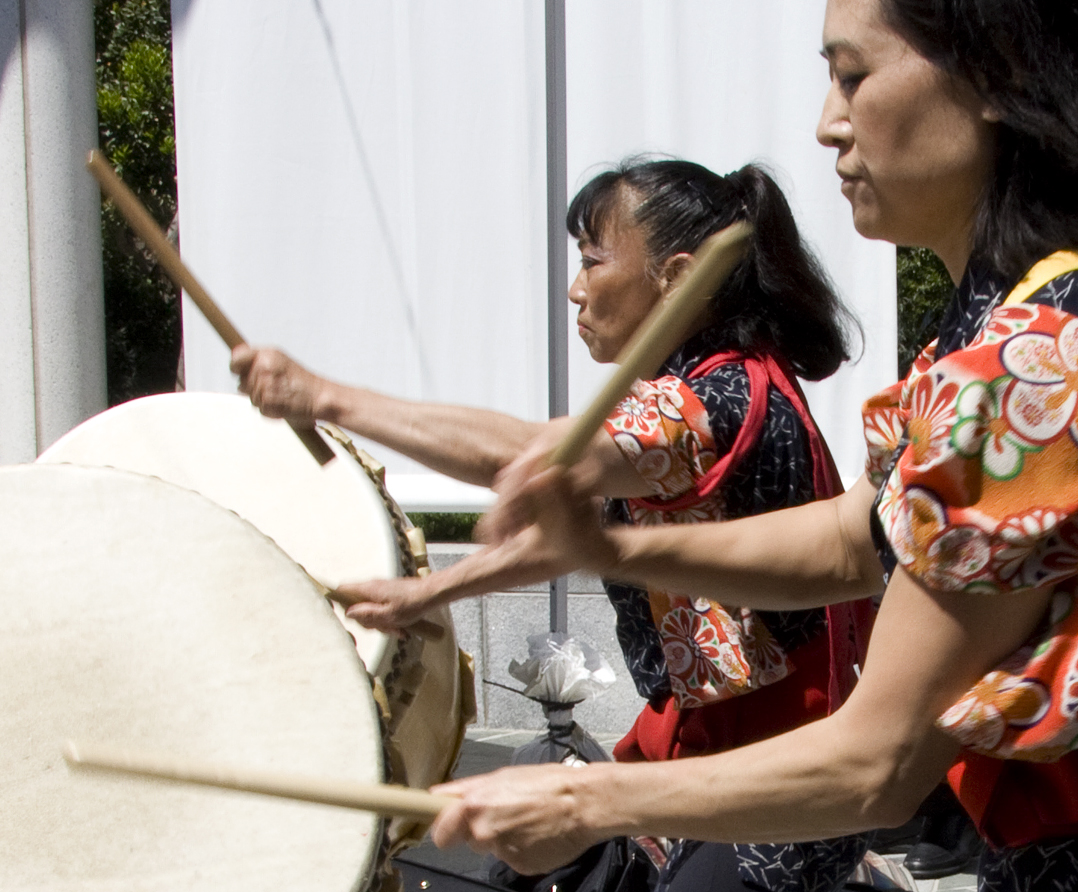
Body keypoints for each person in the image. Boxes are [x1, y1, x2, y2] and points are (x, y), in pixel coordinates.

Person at [423, 1, 1078, 889]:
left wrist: (321, 397)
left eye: (854, 76)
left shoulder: (1021, 363)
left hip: (817, 777)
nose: (826, 124)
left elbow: (878, 763)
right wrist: (608, 547)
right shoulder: (1000, 322)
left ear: (995, 71)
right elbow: (864, 535)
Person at [233, 158, 871, 889]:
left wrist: (324, 396)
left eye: (593, 261)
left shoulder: (713, 400)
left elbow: (535, 454)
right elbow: (572, 537)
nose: (576, 288)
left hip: (777, 771)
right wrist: (427, 593)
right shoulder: (713, 386)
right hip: (706, 745)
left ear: (675, 275)